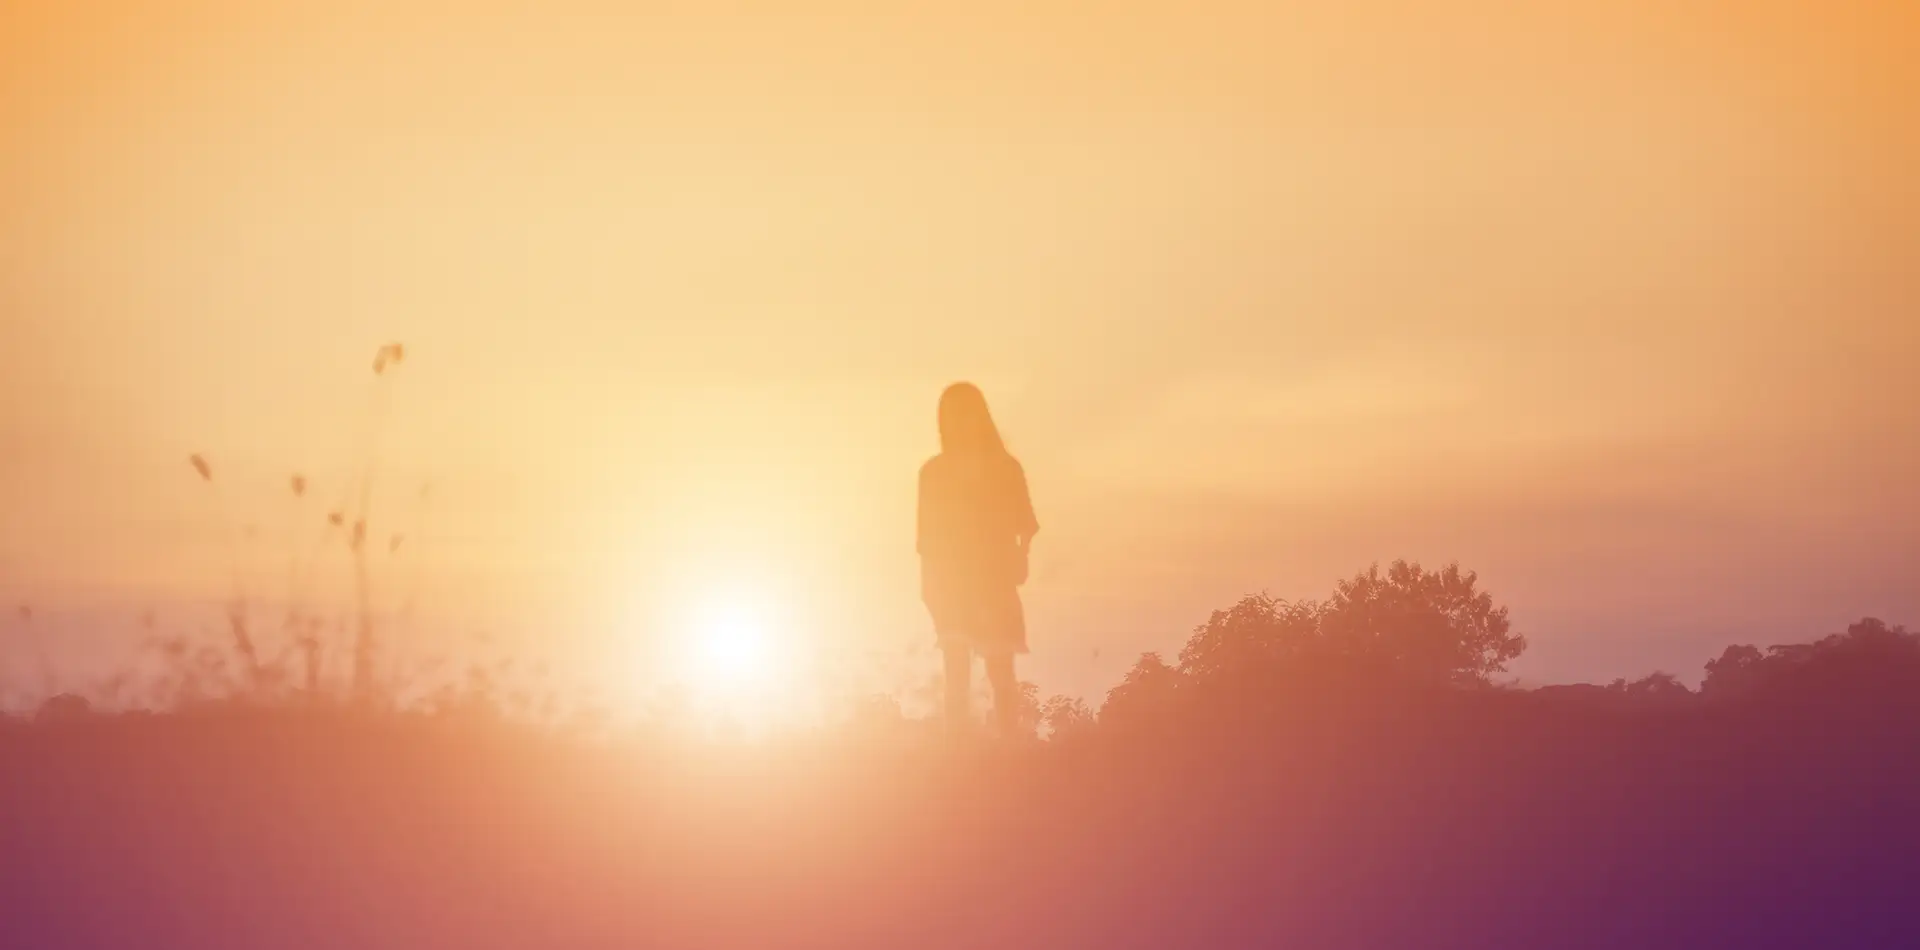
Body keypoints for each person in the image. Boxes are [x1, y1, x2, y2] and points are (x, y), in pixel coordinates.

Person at [916, 382, 1039, 737]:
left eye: (965, 414)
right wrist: (929, 590)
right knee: (956, 674)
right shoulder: (933, 474)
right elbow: (926, 540)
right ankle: (957, 753)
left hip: (996, 581)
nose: (959, 423)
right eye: (952, 415)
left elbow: (1026, 522)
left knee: (1002, 673)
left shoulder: (1006, 468)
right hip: (951, 586)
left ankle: (1009, 748)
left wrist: (1022, 554)